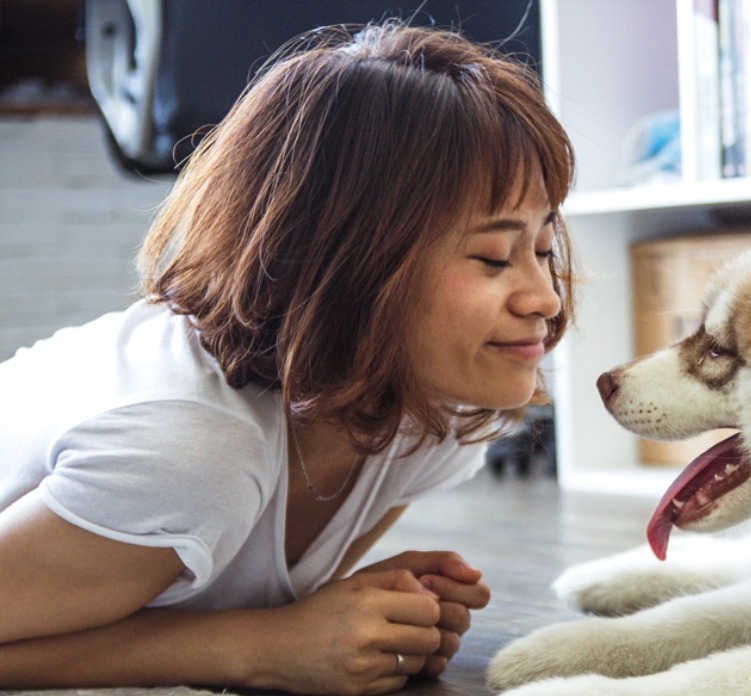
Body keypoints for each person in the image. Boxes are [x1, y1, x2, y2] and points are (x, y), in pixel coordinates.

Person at [0, 20, 574, 695]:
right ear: (346, 263)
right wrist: (261, 647)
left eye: (543, 248)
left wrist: (351, 618)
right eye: (493, 257)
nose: (545, 297)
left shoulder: (433, 413)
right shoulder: (190, 452)